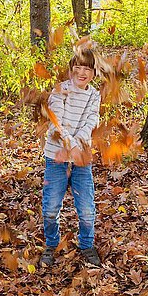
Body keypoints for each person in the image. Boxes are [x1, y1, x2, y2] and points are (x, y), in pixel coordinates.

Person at [40, 48, 102, 268]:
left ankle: (86, 244)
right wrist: (70, 146)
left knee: (86, 209)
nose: (82, 72)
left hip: (81, 161)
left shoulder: (94, 95)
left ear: (94, 72)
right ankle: (51, 244)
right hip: (56, 158)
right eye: (78, 67)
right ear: (70, 70)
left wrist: (77, 148)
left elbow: (91, 121)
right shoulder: (60, 91)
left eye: (87, 68)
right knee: (50, 208)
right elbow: (56, 124)